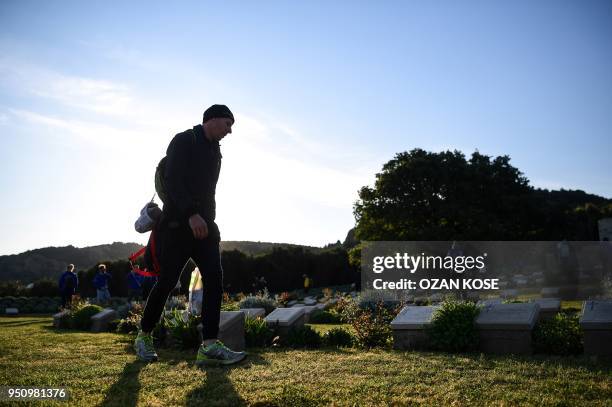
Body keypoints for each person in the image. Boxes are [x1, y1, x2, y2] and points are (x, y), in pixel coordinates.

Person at [134, 104, 246, 366]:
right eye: (228, 124)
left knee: (215, 280)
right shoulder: (184, 140)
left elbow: (210, 192)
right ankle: (144, 335)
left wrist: (209, 221)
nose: (230, 132)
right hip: (177, 225)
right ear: (213, 119)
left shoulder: (215, 152)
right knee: (167, 282)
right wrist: (191, 213)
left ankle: (208, 346)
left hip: (205, 227)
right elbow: (173, 180)